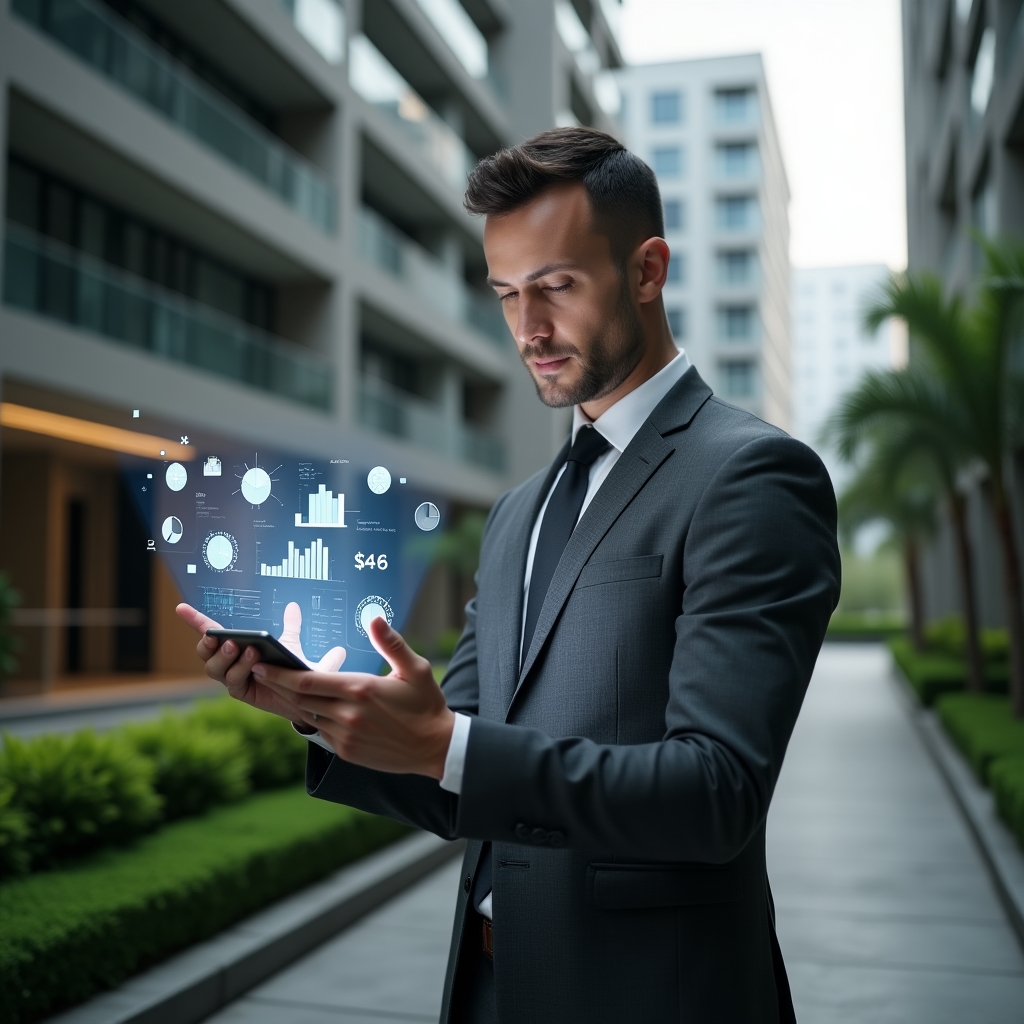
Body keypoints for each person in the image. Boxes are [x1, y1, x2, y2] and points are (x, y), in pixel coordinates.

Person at [178, 126, 840, 1023]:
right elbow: (466, 775)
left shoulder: (752, 476)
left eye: (557, 287)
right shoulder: (519, 512)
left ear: (647, 271)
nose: (530, 328)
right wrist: (317, 707)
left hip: (656, 995)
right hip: (492, 987)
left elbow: (715, 792)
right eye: (506, 295)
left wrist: (448, 745)